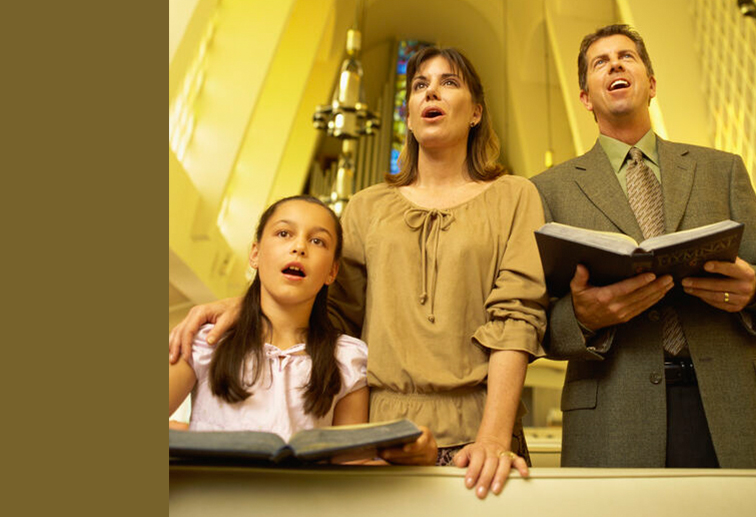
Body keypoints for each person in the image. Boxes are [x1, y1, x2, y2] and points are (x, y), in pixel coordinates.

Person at [170, 47, 548, 497]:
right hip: (377, 433)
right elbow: (328, 310)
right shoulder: (368, 206)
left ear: (476, 112)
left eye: (449, 82)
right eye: (420, 84)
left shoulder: (514, 196)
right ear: (407, 115)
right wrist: (247, 305)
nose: (432, 91)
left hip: (481, 432)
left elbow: (516, 318)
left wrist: (492, 437)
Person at [531, 24, 756, 469]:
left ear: (652, 84)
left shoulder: (723, 170)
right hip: (614, 413)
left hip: (732, 401)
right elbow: (533, 316)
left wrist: (755, 290)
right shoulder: (546, 190)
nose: (615, 64)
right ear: (585, 97)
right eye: (600, 62)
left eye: (627, 57)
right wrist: (582, 318)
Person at [168, 195, 436, 465]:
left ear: (332, 271)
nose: (299, 247)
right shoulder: (205, 340)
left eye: (317, 241)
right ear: (255, 253)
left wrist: (415, 455)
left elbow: (352, 466)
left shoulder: (347, 359)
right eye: (284, 233)